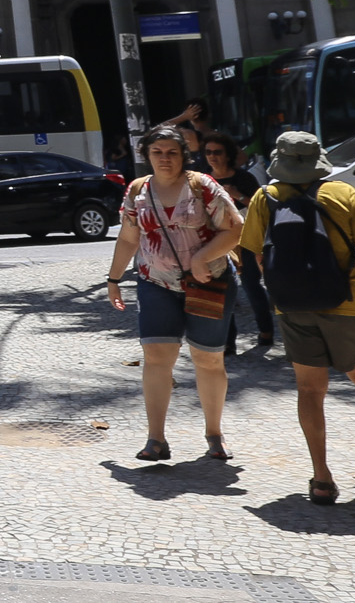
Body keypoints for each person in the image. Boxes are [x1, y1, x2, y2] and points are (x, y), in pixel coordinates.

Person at [241, 131, 355, 505]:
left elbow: (258, 257)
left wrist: (285, 292)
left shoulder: (265, 198)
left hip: (293, 308)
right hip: (346, 304)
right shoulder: (342, 194)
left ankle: (321, 478)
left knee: (309, 390)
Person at [106, 125, 244, 462]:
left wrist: (201, 256)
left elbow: (236, 228)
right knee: (156, 357)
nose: (165, 158)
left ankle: (214, 433)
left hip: (208, 283)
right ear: (147, 156)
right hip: (155, 283)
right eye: (157, 152)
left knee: (208, 360)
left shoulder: (202, 187)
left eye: (172, 152)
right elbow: (128, 238)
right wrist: (113, 279)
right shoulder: (138, 190)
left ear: (184, 155)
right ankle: (156, 439)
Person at [201, 132, 274, 354]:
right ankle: (228, 341)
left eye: (217, 152)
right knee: (223, 290)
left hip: (247, 240)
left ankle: (266, 331)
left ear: (228, 155)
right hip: (218, 243)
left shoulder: (244, 178)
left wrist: (237, 195)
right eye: (208, 152)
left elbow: (260, 207)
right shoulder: (204, 181)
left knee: (251, 286)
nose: (212, 157)